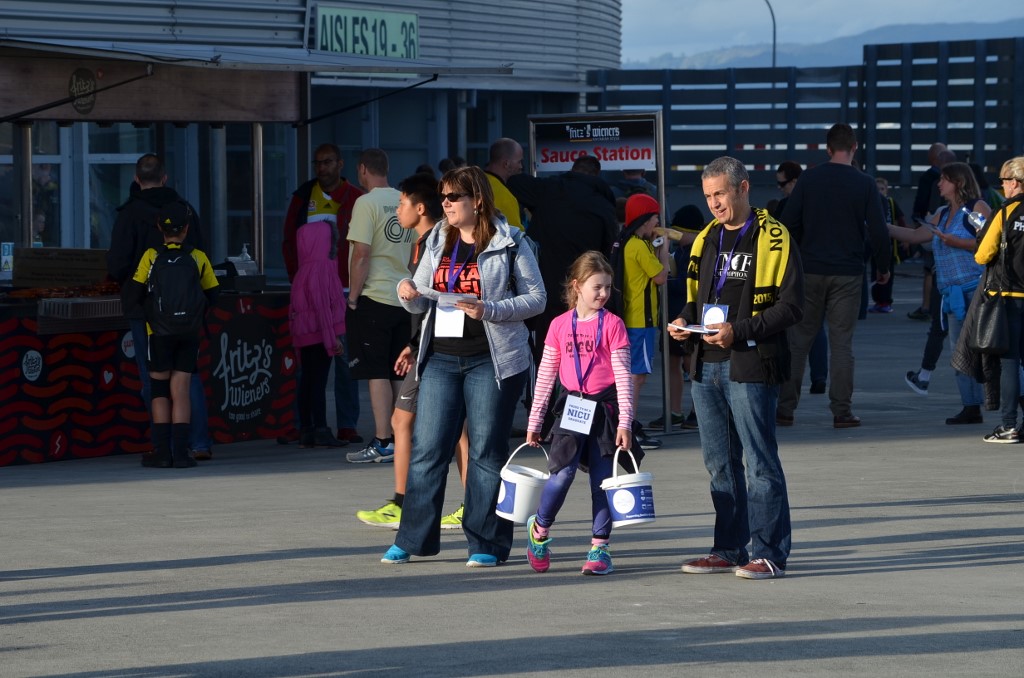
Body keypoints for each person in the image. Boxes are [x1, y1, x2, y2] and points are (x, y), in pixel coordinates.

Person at [380, 166, 546, 567]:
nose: (446, 204)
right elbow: (421, 297)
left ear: (478, 201)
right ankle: (413, 538)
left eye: (453, 197)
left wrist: (490, 308)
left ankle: (486, 543)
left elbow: (537, 299)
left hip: (492, 359)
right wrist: (407, 292)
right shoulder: (438, 238)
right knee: (428, 449)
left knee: (486, 452)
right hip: (439, 356)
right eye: (444, 197)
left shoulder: (511, 242)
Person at [669, 155, 803, 580]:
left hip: (749, 362)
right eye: (708, 196)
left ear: (743, 188)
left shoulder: (776, 237)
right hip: (705, 363)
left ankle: (769, 553)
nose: (713, 204)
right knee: (720, 465)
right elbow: (696, 294)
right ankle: (728, 547)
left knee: (760, 463)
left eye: (720, 194)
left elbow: (792, 306)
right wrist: (682, 320)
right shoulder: (706, 237)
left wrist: (740, 330)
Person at [355, 172, 469, 529]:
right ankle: (412, 502)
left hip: (442, 347)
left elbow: (436, 299)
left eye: (403, 203)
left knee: (439, 426)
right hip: (428, 345)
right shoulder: (423, 242)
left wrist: (418, 342)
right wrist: (411, 343)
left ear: (420, 208)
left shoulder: (437, 242)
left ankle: (412, 504)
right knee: (410, 421)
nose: (398, 210)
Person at [524, 251, 636, 575]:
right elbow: (545, 376)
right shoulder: (559, 326)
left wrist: (625, 422)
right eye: (597, 287)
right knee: (562, 475)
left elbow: (624, 378)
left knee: (603, 482)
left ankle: (600, 549)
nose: (603, 294)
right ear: (577, 286)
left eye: (607, 287)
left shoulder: (613, 325)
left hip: (604, 410)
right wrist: (535, 421)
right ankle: (540, 531)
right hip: (571, 407)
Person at [776, 123, 891, 428]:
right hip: (848, 273)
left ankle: (785, 409)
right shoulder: (865, 183)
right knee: (841, 345)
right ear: (854, 148)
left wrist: (791, 261)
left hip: (809, 271)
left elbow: (787, 224)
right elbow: (879, 230)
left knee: (798, 341)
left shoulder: (809, 179)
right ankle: (842, 411)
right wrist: (883, 266)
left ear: (827, 149)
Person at [106, 153, 214, 461]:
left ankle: (163, 445)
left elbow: (117, 264)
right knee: (188, 377)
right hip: (188, 312)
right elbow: (203, 255)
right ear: (165, 178)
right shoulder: (185, 210)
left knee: (152, 380)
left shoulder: (129, 214)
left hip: (147, 314)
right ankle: (198, 442)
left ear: (137, 180)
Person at [889, 162, 991, 425]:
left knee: (992, 350)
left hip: (976, 292)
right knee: (960, 352)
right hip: (953, 295)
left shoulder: (975, 209)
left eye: (944, 179)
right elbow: (914, 235)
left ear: (959, 182)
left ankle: (1009, 402)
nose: (939, 184)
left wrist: (956, 242)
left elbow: (989, 242)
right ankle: (971, 406)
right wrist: (880, 226)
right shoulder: (942, 214)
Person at [121, 201, 219, 468]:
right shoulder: (198, 257)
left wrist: (151, 313)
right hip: (189, 333)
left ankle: (162, 452)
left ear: (159, 228)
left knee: (160, 391)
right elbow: (214, 294)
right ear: (186, 229)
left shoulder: (151, 256)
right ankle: (182, 453)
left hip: (159, 333)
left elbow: (133, 294)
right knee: (182, 390)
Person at [281, 143, 365, 445]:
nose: (322, 168)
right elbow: (289, 241)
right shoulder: (303, 197)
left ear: (340, 164)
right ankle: (306, 424)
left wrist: (359, 285)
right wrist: (299, 280)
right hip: (311, 290)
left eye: (327, 162)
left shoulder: (357, 198)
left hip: (344, 288)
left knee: (345, 361)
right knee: (309, 364)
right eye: (317, 163)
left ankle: (346, 424)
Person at [508, 155, 619, 364]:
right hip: (584, 285)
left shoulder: (551, 189)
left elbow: (515, 182)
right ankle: (577, 391)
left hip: (546, 280)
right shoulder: (603, 204)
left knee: (547, 346)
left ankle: (546, 394)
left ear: (573, 170)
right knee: (582, 346)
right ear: (597, 175)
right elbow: (609, 250)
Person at [345, 148, 415, 463]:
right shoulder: (406, 200)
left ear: (362, 170)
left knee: (377, 373)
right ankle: (403, 438)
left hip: (374, 296)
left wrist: (353, 296)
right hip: (404, 297)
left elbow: (361, 253)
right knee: (399, 371)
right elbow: (417, 253)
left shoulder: (365, 203)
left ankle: (383, 440)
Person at [973, 157, 1024, 443]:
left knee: (1009, 362)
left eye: (1005, 181)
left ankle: (1008, 425)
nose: (1003, 186)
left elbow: (982, 255)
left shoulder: (1004, 213)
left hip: (1008, 297)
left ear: (1015, 183)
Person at [289, 219, 347, 448]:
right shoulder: (324, 268)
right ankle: (321, 428)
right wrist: (333, 340)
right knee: (319, 383)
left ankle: (306, 429)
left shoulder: (302, 271)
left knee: (306, 382)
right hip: (321, 335)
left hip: (304, 335)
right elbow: (324, 308)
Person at [620, 193, 670, 449]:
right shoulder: (639, 246)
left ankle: (628, 425)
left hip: (633, 318)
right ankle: (628, 427)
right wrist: (664, 250)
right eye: (655, 217)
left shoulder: (631, 243)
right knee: (635, 377)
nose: (658, 221)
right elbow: (661, 276)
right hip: (641, 320)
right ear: (644, 220)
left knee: (633, 376)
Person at [774, 160, 828, 395]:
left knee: (796, 330)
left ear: (795, 182)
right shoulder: (820, 204)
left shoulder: (786, 206)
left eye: (782, 183)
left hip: (795, 270)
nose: (780, 188)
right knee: (817, 328)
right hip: (818, 267)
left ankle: (789, 389)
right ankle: (819, 376)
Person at [483, 138, 524, 230]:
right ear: (506, 164)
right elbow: (516, 236)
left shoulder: (474, 182)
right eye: (519, 162)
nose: (521, 166)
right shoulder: (505, 197)